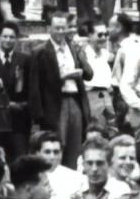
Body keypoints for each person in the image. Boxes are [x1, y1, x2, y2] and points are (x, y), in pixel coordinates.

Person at [28, 12, 93, 168]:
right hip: (55, 104)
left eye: (63, 28)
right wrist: (38, 117)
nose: (61, 32)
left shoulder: (73, 47)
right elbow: (35, 86)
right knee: (57, 144)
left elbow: (89, 74)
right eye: (57, 28)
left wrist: (80, 57)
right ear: (49, 28)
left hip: (75, 100)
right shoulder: (40, 51)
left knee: (75, 144)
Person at [0, 20, 32, 158]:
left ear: (17, 39)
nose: (8, 40)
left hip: (19, 120)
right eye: (5, 36)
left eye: (11, 37)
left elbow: (31, 89)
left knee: (20, 158)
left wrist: (22, 105)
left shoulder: (25, 60)